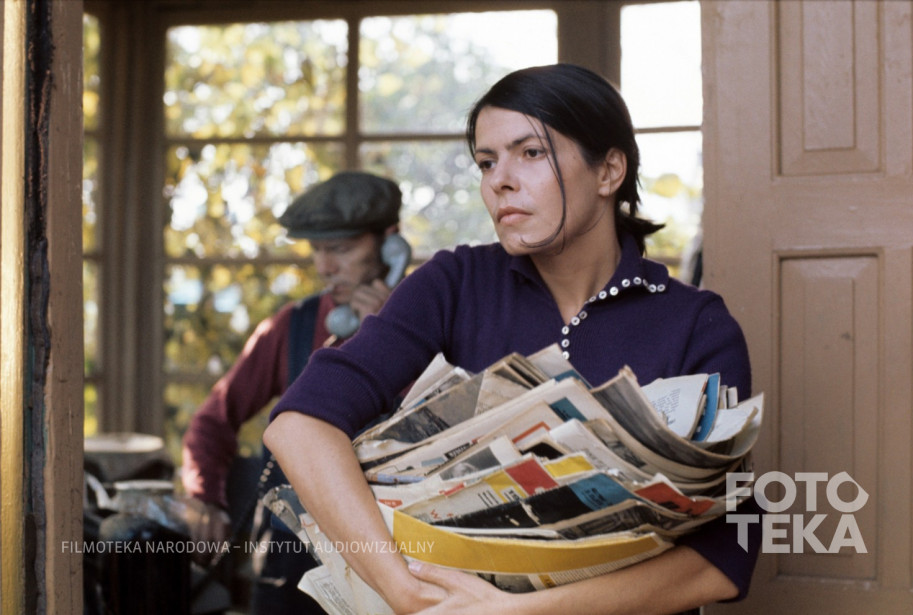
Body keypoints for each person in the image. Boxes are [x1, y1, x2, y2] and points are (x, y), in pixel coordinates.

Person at [264, 64, 762, 615]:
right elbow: (300, 424)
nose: (498, 180)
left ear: (608, 171)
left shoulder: (696, 324)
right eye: (486, 162)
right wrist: (405, 591)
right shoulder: (453, 283)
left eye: (530, 153)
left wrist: (515, 612)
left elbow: (725, 555)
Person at [181, 170, 406, 614]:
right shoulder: (293, 326)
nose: (324, 267)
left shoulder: (425, 324)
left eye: (341, 249)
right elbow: (213, 419)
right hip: (290, 562)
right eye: (317, 250)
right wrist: (204, 497)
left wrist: (389, 338)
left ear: (390, 243)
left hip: (392, 554)